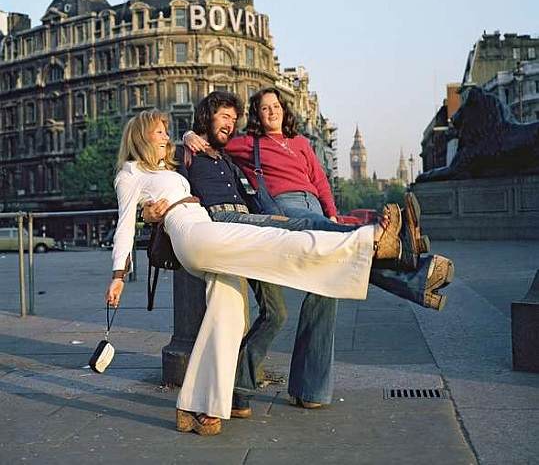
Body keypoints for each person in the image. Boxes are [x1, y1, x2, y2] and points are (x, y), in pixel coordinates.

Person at [105, 109, 453, 436]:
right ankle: (374, 240)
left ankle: (196, 406)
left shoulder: (170, 167)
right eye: (159, 133)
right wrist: (119, 274)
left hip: (203, 229)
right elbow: (123, 224)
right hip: (196, 235)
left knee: (227, 319)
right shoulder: (130, 172)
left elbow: (196, 140)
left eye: (167, 132)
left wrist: (185, 138)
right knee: (282, 244)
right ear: (140, 137)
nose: (166, 138)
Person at [183, 87, 421, 412]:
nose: (271, 112)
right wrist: (187, 135)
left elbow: (320, 180)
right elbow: (187, 144)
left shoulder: (299, 144)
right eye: (264, 108)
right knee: (323, 248)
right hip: (283, 211)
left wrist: (333, 212)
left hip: (307, 212)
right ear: (257, 115)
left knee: (328, 287)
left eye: (276, 106)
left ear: (285, 110)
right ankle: (397, 254)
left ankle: (308, 388)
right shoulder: (244, 145)